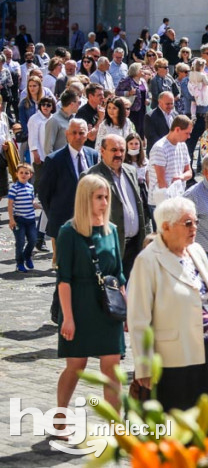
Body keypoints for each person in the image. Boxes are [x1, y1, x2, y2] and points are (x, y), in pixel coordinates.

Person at [128, 197, 208, 438]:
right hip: (171, 361)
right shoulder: (148, 261)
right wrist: (143, 366)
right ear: (165, 227)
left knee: (205, 432)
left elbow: (200, 295)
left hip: (206, 351)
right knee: (176, 436)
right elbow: (138, 319)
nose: (194, 228)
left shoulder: (196, 251)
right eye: (187, 223)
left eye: (196, 222)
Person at [54, 175, 125, 433]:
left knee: (112, 367)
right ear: (85, 199)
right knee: (76, 366)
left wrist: (125, 311)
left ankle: (115, 425)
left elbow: (118, 275)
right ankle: (60, 415)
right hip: (79, 307)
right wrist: (68, 318)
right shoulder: (68, 233)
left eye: (106, 197)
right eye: (99, 197)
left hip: (108, 309)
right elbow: (64, 280)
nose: (104, 202)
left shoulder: (112, 231)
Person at [88, 134, 151, 281]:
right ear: (102, 151)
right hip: (110, 246)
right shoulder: (92, 176)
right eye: (114, 150)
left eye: (122, 150)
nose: (119, 154)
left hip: (135, 245)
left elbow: (139, 207)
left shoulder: (131, 171)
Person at [38, 119, 99, 243]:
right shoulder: (54, 160)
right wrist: (54, 215)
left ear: (87, 134)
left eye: (81, 133)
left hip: (89, 220)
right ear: (67, 134)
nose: (77, 136)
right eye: (74, 133)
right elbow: (44, 193)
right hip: (64, 222)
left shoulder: (93, 155)